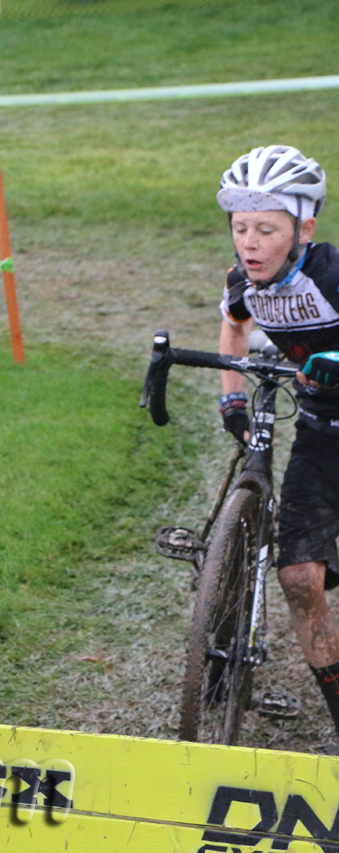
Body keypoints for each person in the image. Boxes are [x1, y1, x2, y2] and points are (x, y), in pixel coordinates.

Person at [215, 145, 339, 740]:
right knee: (297, 579)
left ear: (304, 228)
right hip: (321, 436)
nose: (250, 242)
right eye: (241, 228)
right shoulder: (245, 282)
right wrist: (231, 397)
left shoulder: (333, 276)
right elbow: (235, 325)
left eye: (267, 228)